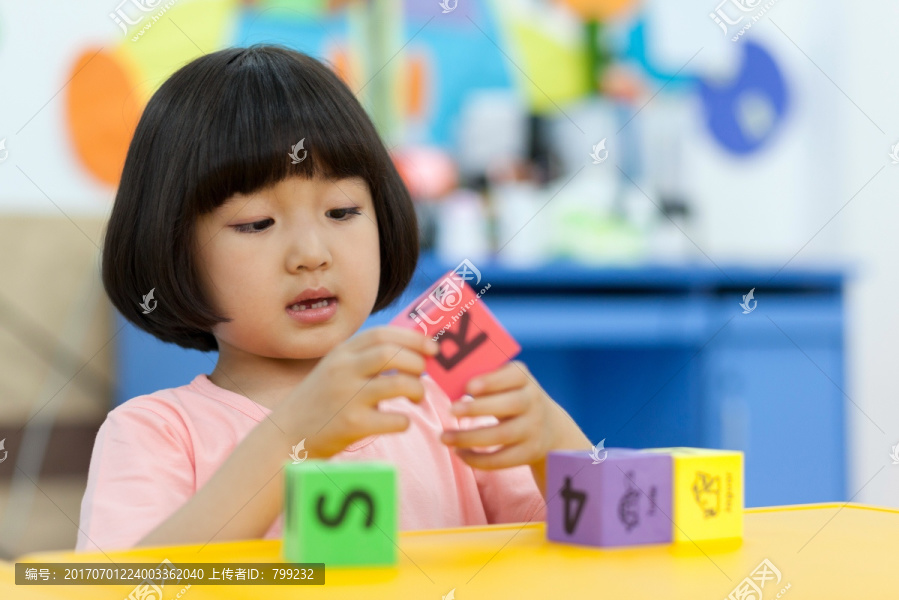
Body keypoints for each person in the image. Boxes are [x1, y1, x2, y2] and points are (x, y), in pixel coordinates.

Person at [75, 45, 591, 552]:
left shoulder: (454, 413)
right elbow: (123, 587)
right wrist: (287, 441)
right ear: (172, 246)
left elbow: (599, 546)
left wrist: (557, 442)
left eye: (341, 212)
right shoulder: (156, 434)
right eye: (257, 223)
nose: (310, 254)